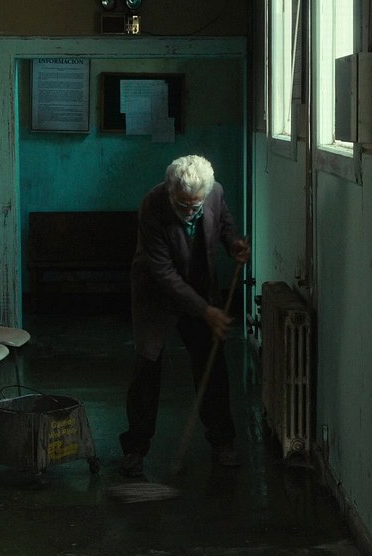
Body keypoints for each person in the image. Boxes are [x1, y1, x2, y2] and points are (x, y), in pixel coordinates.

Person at [119, 154, 250, 477]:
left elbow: (224, 222)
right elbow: (163, 272)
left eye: (195, 205)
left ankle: (222, 441)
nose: (189, 211)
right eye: (182, 205)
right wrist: (205, 311)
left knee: (211, 366)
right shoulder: (152, 204)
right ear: (169, 190)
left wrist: (233, 243)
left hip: (200, 286)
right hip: (156, 292)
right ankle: (136, 447)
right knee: (146, 369)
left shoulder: (215, 192)